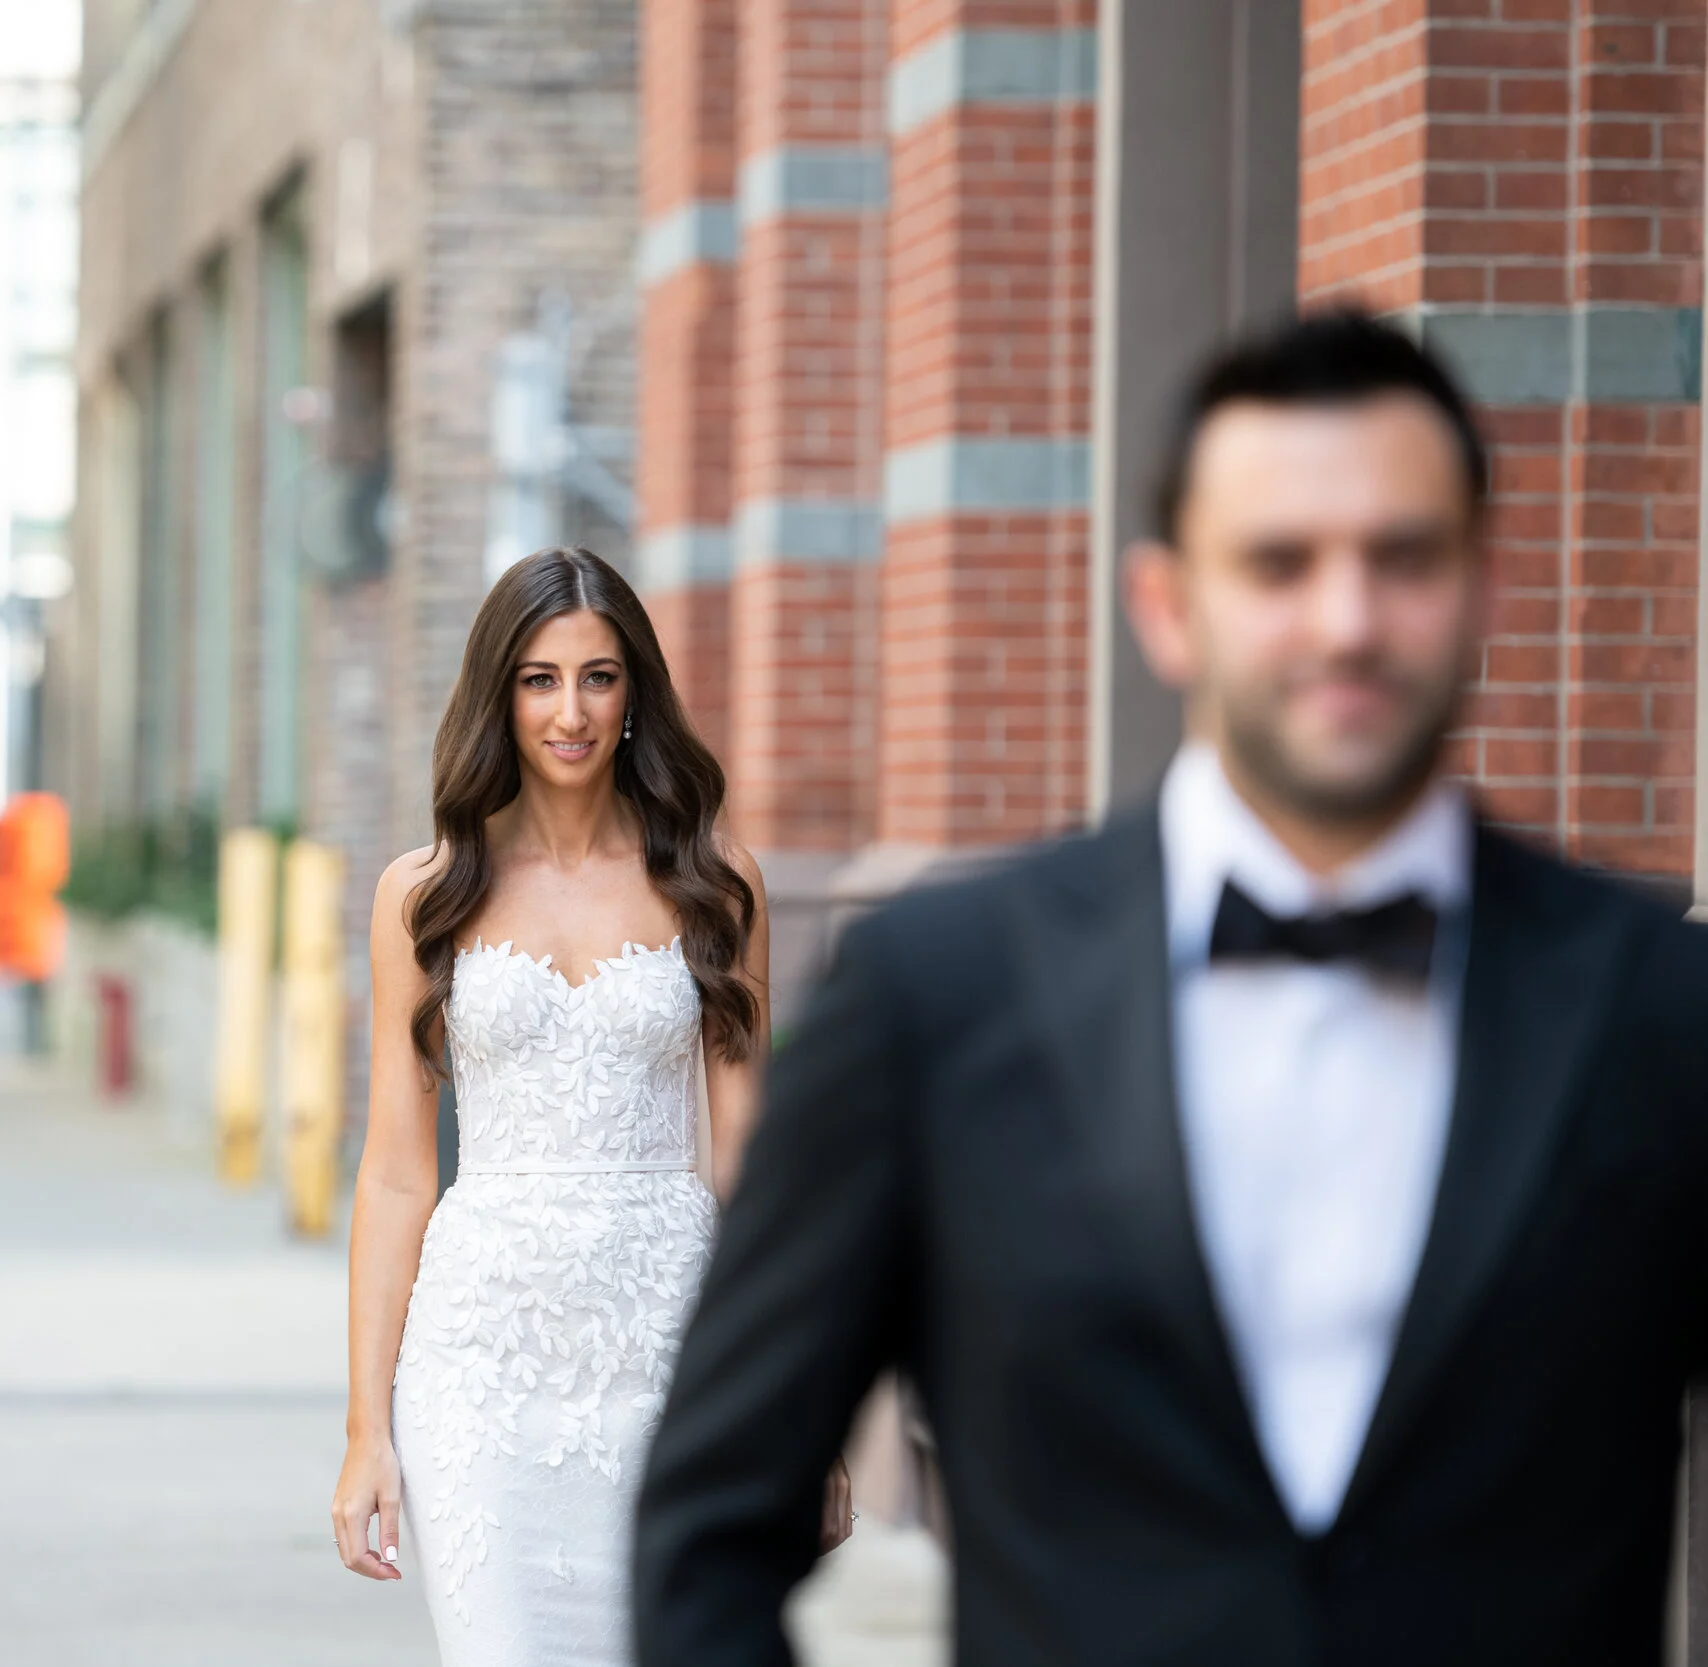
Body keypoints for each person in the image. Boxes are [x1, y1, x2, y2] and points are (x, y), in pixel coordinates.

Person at [633, 310, 1708, 1666]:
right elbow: (709, 1533)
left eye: (1404, 557)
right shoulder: (938, 997)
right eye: (1278, 563)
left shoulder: (1662, 1009)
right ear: (1165, 604)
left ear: (1486, 584)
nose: (1347, 618)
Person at [331, 547, 850, 1667]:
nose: (570, 710)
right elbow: (395, 1172)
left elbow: (746, 1158)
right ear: (497, 694)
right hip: (481, 1365)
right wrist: (365, 1423)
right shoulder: (422, 894)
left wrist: (799, 1396)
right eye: (538, 678)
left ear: (635, 693)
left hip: (671, 1348)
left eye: (598, 676)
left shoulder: (716, 880)